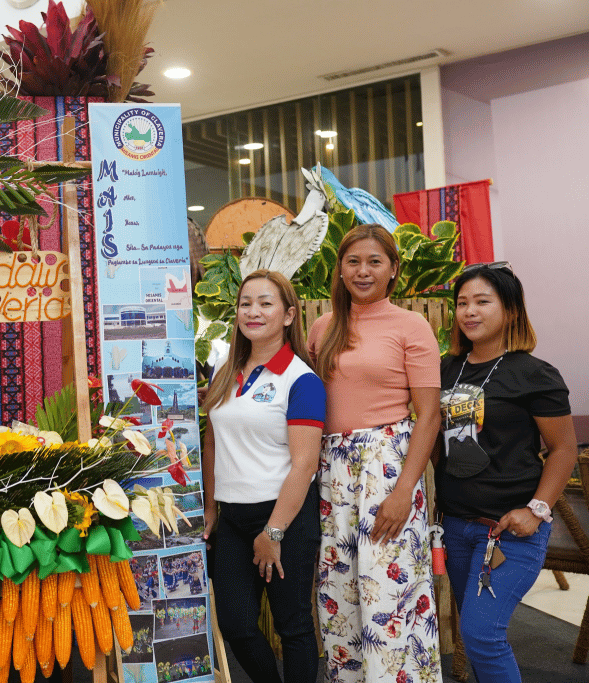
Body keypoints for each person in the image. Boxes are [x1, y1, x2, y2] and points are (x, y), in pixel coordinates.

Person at [306, 224, 442, 683]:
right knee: (339, 597)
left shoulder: (412, 325)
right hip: (332, 471)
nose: (363, 271)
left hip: (388, 469)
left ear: (394, 271)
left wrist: (405, 490)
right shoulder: (322, 327)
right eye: (353, 262)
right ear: (340, 269)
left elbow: (429, 416)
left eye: (374, 262)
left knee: (390, 599)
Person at [436, 262, 576, 682]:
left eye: (482, 301)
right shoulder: (445, 368)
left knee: (482, 635)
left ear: (510, 310)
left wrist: (536, 509)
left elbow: (563, 449)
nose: (469, 312)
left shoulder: (535, 374)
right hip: (456, 528)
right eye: (462, 303)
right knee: (476, 635)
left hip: (509, 530)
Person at [202, 269, 325, 683]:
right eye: (245, 303)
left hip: (284, 517)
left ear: (289, 315)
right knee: (236, 625)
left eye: (265, 303)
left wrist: (273, 532)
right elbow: (212, 442)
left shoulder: (301, 380)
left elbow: (305, 465)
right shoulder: (224, 368)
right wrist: (209, 510)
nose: (252, 312)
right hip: (232, 518)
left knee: (293, 626)